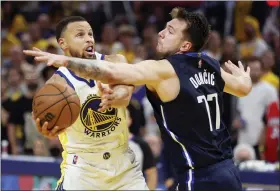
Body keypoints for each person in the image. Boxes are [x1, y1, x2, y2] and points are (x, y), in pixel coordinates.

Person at [24, 7, 252, 191]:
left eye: (170, 31)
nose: (161, 33)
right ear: (62, 43)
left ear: (185, 45)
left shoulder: (159, 68)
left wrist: (65, 62)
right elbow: (242, 88)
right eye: (80, 34)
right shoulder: (210, 63)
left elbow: (119, 80)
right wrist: (244, 78)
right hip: (226, 170)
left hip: (186, 174)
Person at [27, 16, 148, 190]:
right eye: (80, 35)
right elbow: (49, 128)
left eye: (90, 34)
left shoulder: (114, 61)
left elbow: (126, 92)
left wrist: (116, 95)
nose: (89, 38)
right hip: (82, 172)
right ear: (63, 44)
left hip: (123, 169)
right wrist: (47, 128)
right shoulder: (57, 85)